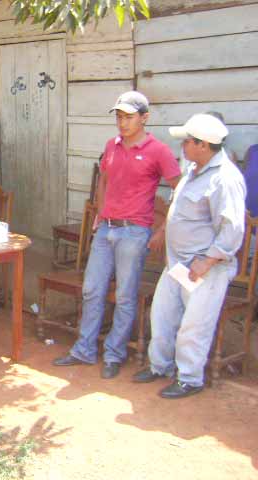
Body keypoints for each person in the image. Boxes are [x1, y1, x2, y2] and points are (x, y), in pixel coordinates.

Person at [53, 91, 182, 379]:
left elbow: (180, 189)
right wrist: (100, 211)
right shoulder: (111, 145)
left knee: (125, 296)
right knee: (92, 290)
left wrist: (163, 228)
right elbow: (105, 178)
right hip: (106, 228)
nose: (122, 123)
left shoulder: (158, 150)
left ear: (144, 118)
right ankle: (84, 349)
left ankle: (114, 353)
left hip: (135, 232)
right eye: (119, 117)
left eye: (129, 117)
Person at [132, 114, 246, 398]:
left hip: (203, 268)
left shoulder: (225, 179)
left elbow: (232, 231)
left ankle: (190, 379)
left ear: (204, 145)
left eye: (187, 141)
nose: (182, 145)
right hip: (178, 263)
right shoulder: (194, 170)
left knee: (194, 326)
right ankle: (160, 366)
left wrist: (206, 261)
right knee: (162, 315)